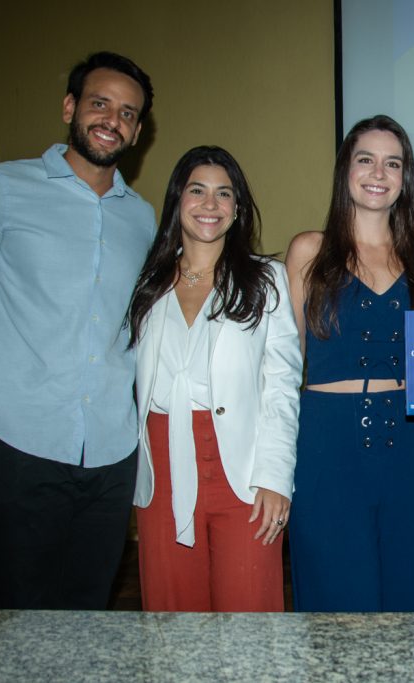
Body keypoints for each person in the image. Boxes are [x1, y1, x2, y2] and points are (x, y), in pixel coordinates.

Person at [0, 52, 155, 609]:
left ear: (138, 130)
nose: (112, 120)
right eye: (100, 103)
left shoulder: (143, 218)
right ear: (70, 107)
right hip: (19, 447)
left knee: (89, 616)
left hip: (112, 454)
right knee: (19, 628)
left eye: (127, 113)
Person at [127, 146, 301, 612]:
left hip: (243, 469)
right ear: (177, 200)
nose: (210, 204)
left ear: (237, 207)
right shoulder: (146, 282)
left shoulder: (266, 279)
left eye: (224, 193)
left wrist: (275, 477)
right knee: (172, 617)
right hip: (162, 467)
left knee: (250, 615)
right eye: (197, 191)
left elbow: (282, 386)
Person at [284, 115, 414, 611]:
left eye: (392, 163)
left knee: (410, 593)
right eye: (366, 159)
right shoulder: (308, 250)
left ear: (405, 177)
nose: (379, 173)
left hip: (413, 444)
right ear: (346, 171)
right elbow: (286, 364)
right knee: (338, 597)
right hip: (327, 445)